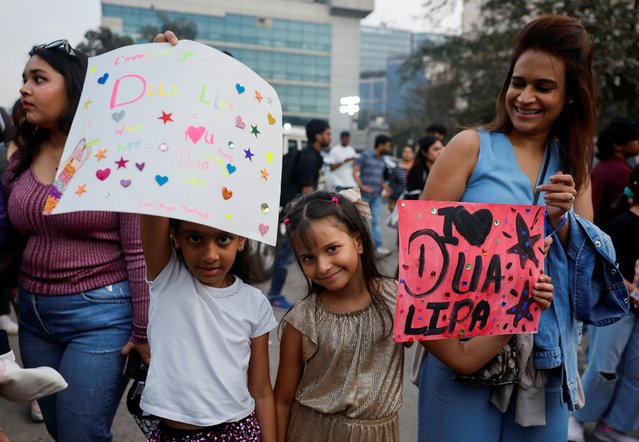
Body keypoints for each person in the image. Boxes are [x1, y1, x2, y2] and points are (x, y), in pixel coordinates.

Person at [416, 15, 629, 441]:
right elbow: (420, 261)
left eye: (544, 87)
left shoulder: (575, 171)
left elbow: (588, 287)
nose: (525, 97)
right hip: (463, 349)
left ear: (570, 96)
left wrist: (562, 222)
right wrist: (453, 355)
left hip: (545, 362)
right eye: (518, 82)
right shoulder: (468, 148)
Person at [0, 39, 150, 441]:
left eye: (38, 79)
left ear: (73, 88)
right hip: (33, 318)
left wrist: (142, 330)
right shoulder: (20, 158)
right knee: (58, 430)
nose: (24, 89)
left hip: (100, 317)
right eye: (24, 79)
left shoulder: (113, 153)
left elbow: (136, 252)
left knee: (80, 434)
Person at [274, 190, 404, 441]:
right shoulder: (303, 320)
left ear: (358, 241)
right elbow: (282, 400)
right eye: (308, 258)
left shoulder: (397, 299)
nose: (322, 266)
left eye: (332, 248)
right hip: (312, 433)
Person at [138, 213, 277, 441]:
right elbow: (152, 210)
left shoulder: (255, 303)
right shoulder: (168, 278)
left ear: (240, 239)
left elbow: (261, 391)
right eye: (195, 238)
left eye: (223, 239)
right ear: (175, 238)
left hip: (237, 433)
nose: (210, 255)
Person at [569, 165, 639, 442]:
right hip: (617, 309)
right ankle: (577, 416)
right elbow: (606, 268)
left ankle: (615, 426)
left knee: (635, 372)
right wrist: (632, 288)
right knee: (603, 368)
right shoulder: (622, 225)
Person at [268, 119, 331, 309]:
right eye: (327, 133)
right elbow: (306, 190)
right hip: (296, 213)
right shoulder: (310, 157)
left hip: (294, 211)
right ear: (318, 136)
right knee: (287, 255)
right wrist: (310, 216)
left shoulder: (312, 155)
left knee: (297, 253)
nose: (330, 137)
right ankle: (273, 294)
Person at [591, 117, 639, 229]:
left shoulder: (601, 166)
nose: (638, 143)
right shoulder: (621, 172)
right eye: (635, 139)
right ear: (618, 145)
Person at [353, 134, 393, 257]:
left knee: (376, 222)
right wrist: (362, 186)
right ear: (380, 144)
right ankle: (361, 249)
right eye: (388, 145)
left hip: (376, 196)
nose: (389, 148)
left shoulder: (382, 160)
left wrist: (385, 186)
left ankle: (378, 248)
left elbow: (380, 177)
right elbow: (355, 172)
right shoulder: (365, 155)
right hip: (364, 195)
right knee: (362, 222)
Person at [404, 136, 444, 200]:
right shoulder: (417, 171)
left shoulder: (445, 170)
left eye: (441, 148)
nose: (440, 152)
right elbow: (412, 197)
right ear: (424, 152)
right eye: (436, 149)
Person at [387, 145, 414, 210]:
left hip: (413, 202)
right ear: (402, 153)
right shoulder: (396, 169)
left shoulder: (416, 169)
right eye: (405, 151)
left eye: (409, 152)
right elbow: (391, 185)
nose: (407, 154)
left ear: (413, 154)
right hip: (397, 201)